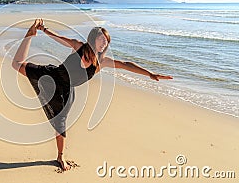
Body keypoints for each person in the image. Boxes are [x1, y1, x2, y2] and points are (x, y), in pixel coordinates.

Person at [11, 19, 173, 171]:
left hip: (67, 91)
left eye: (107, 41)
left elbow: (125, 64)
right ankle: (29, 35)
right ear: (93, 39)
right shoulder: (79, 46)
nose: (104, 43)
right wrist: (43, 29)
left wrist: (150, 74)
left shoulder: (102, 62)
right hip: (51, 76)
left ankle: (60, 157)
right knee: (16, 64)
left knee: (60, 122)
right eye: (102, 39)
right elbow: (59, 38)